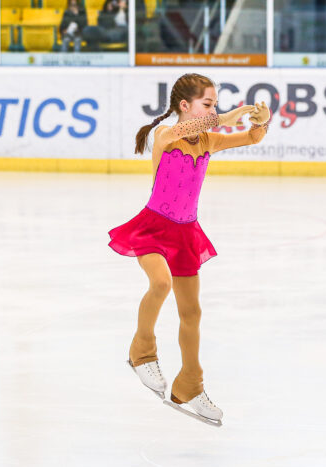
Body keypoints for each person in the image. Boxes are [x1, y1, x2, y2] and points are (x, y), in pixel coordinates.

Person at [108, 73, 271, 427]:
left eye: (215, 104)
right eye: (207, 104)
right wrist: (227, 116)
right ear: (185, 106)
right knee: (160, 284)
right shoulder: (166, 136)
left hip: (186, 233)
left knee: (192, 312)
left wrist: (263, 121)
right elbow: (195, 129)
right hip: (153, 227)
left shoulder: (208, 141)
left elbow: (252, 137)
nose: (214, 110)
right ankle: (142, 351)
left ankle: (190, 384)